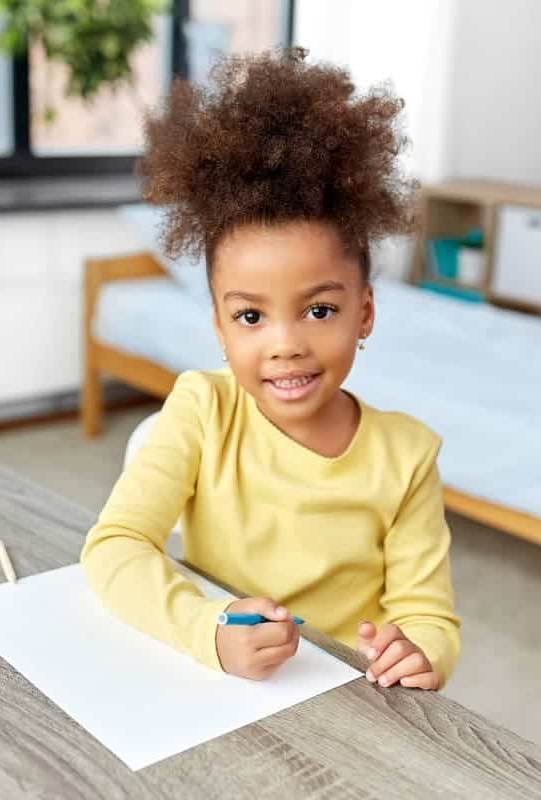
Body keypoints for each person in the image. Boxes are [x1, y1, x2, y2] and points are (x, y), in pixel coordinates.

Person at [81, 47, 460, 691]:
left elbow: (429, 618)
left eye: (318, 309)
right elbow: (114, 548)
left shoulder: (408, 456)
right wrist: (208, 629)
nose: (286, 345)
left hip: (352, 701)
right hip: (216, 684)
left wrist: (418, 652)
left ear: (364, 313)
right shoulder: (203, 409)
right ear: (220, 329)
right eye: (251, 317)